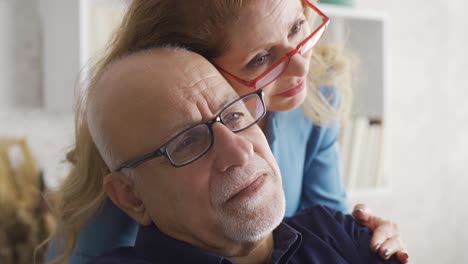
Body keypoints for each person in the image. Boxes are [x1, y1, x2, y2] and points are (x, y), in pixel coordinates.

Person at [47, 0, 408, 263]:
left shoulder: (315, 89)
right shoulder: (135, 148)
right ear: (185, 64)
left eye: (297, 27)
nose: (300, 66)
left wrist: (366, 238)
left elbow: (329, 227)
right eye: (261, 59)